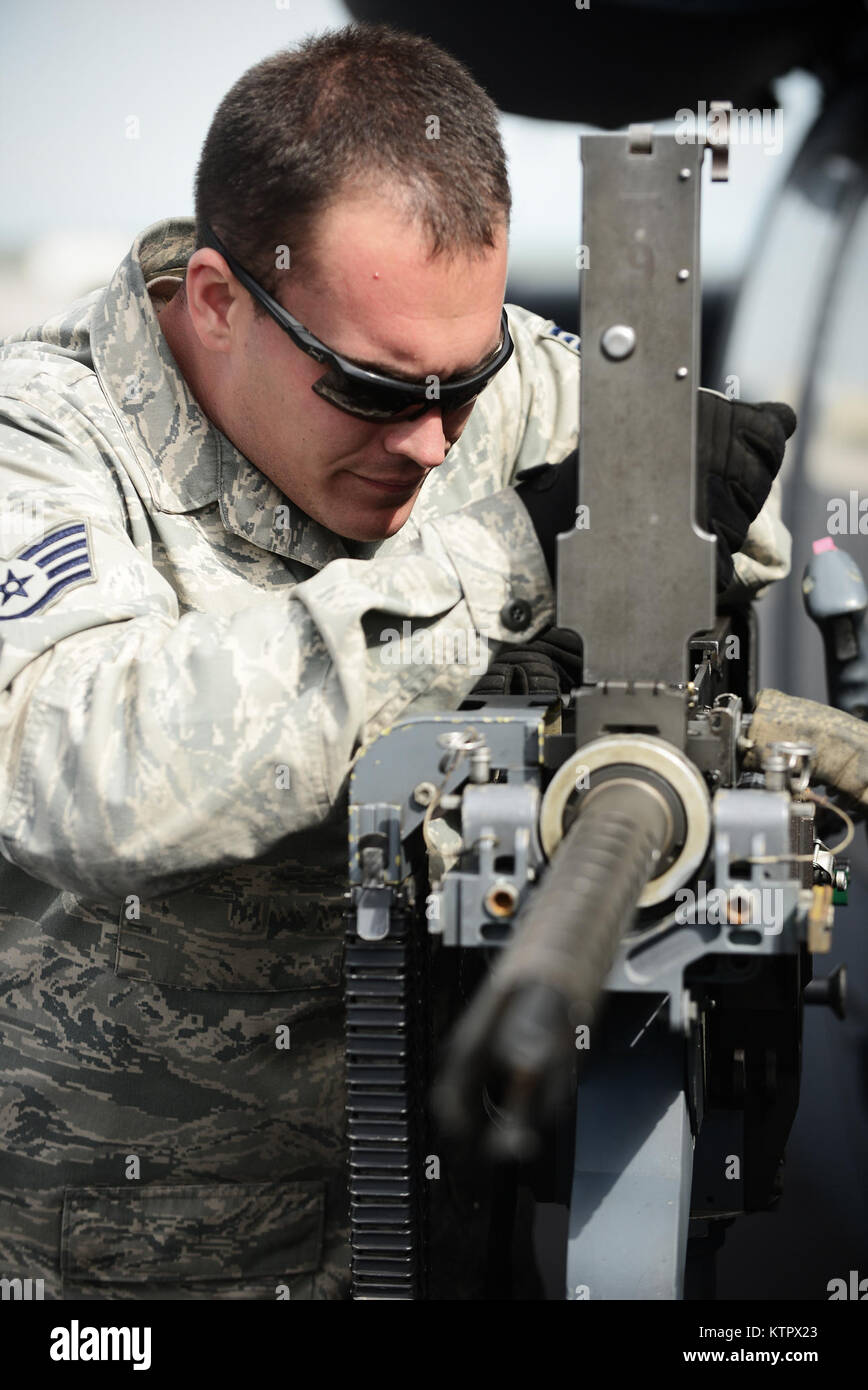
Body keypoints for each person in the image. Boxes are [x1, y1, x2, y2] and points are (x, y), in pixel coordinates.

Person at [0, 23, 795, 1300]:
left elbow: (713, 505)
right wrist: (501, 565)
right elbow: (77, 769)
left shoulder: (459, 372)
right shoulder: (42, 446)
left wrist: (690, 487)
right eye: (374, 392)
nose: (432, 443)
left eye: (462, 386)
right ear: (217, 300)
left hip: (443, 1249)